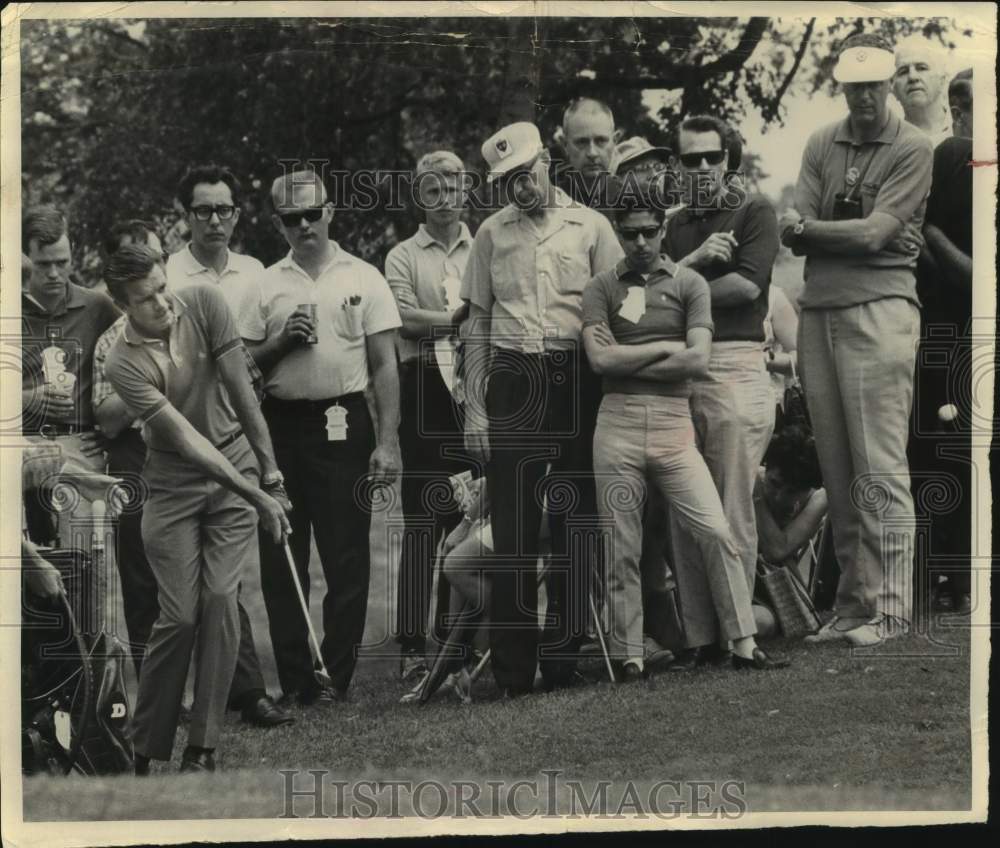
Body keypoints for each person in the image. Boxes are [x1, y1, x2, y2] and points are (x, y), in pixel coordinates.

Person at [92, 221, 292, 729]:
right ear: (123, 305)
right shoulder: (119, 359)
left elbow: (242, 392)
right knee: (177, 614)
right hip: (170, 473)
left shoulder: (202, 302)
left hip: (232, 460)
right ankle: (151, 731)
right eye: (146, 298)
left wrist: (270, 473)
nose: (162, 302)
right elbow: (183, 440)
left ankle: (208, 739)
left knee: (222, 597)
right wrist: (259, 495)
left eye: (163, 287)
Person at [582, 192, 789, 678]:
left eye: (648, 232)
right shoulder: (601, 288)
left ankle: (742, 640)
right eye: (629, 232)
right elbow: (599, 361)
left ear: (661, 232)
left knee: (716, 529)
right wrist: (666, 347)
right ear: (618, 232)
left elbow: (697, 360)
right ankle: (629, 653)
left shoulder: (691, 283)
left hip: (675, 423)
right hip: (617, 422)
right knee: (621, 542)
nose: (639, 242)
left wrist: (631, 355)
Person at [779, 33, 933, 647]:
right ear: (841, 83)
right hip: (820, 310)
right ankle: (852, 604)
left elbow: (875, 237)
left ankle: (892, 609)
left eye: (875, 82)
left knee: (880, 466)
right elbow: (795, 228)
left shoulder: (912, 146)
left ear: (890, 81)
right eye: (854, 83)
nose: (865, 95)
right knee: (839, 467)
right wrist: (832, 231)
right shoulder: (822, 140)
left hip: (881, 309)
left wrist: (819, 230)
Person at [462, 121, 625, 695]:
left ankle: (563, 658)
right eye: (506, 182)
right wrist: (475, 410)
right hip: (512, 378)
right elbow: (478, 321)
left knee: (575, 516)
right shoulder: (489, 234)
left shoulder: (593, 227)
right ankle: (511, 668)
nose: (518, 189)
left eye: (524, 176)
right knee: (514, 524)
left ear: (547, 164)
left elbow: (619, 310)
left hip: (575, 374)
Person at [241, 169, 402, 704]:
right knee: (283, 556)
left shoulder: (364, 275)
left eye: (313, 214)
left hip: (345, 424)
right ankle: (296, 683)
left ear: (330, 211)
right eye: (292, 218)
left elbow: (384, 367)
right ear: (278, 223)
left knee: (347, 557)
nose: (304, 225)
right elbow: (242, 370)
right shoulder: (264, 284)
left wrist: (387, 441)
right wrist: (282, 341)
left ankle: (337, 676)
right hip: (282, 425)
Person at [663, 115, 779, 641]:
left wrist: (681, 286)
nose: (704, 167)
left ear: (728, 159)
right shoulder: (672, 225)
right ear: (677, 165)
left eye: (713, 156)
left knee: (732, 507)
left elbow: (747, 289)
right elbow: (639, 299)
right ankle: (701, 637)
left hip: (734, 365)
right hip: (683, 372)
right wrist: (695, 262)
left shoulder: (754, 210)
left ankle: (740, 635)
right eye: (692, 159)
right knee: (686, 509)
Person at [385, 150, 474, 681]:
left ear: (465, 191)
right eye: (432, 190)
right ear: (420, 196)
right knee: (422, 522)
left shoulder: (482, 244)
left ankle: (453, 640)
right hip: (423, 394)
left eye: (452, 187)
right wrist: (457, 319)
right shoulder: (401, 255)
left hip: (475, 391)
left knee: (467, 516)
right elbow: (403, 319)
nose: (444, 199)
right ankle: (413, 647)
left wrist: (459, 326)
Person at [908, 68, 974, 614]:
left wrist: (930, 235)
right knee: (941, 452)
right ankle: (948, 576)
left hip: (962, 330)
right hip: (945, 331)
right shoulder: (953, 156)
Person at [21, 205, 121, 546]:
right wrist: (27, 398)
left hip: (81, 451)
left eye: (61, 263)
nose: (53, 274)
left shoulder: (99, 307)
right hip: (21, 450)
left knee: (86, 566)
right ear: (23, 258)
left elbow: (135, 370)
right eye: (43, 264)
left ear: (72, 253)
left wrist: (111, 434)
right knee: (26, 571)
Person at [552, 97, 621, 209]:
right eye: (581, 142)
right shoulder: (550, 199)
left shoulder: (628, 198)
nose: (592, 153)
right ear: (565, 145)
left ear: (615, 141)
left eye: (601, 141)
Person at [892, 35, 952, 147]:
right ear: (893, 88)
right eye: (903, 71)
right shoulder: (888, 143)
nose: (912, 77)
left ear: (942, 80)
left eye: (921, 68)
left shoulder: (968, 128)